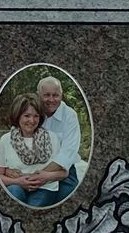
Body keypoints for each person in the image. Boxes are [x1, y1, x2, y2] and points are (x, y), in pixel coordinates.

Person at [14, 75, 83, 205]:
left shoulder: (70, 116)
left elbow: (67, 155)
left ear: (62, 95)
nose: (51, 100)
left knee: (66, 202)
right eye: (46, 95)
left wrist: (40, 175)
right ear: (38, 94)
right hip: (28, 169)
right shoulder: (31, 113)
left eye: (55, 95)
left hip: (63, 172)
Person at [0, 94, 69, 207]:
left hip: (45, 189)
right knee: (14, 195)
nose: (32, 121)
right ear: (18, 116)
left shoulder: (52, 138)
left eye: (36, 116)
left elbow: (64, 173)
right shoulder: (6, 139)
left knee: (34, 208)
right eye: (27, 116)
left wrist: (45, 177)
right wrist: (18, 181)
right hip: (16, 186)